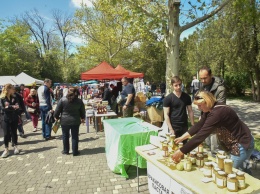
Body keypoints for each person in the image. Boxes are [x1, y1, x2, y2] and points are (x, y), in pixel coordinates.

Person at [171, 91, 254, 173]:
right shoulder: (210, 109)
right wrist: (182, 137)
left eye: (200, 105)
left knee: (230, 172)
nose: (199, 108)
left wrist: (181, 151)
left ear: (207, 102)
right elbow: (198, 125)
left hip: (241, 145)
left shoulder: (217, 113)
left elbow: (200, 136)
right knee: (242, 170)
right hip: (238, 143)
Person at [199, 66, 226, 154]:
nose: (203, 81)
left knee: (216, 150)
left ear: (211, 75)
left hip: (216, 123)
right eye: (201, 79)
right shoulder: (203, 87)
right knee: (207, 145)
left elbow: (220, 108)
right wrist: (201, 115)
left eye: (205, 78)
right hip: (206, 121)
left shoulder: (220, 89)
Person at [54, 87, 85, 156]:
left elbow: (57, 110)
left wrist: (56, 117)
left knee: (65, 136)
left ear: (68, 91)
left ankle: (66, 151)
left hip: (64, 121)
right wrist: (83, 118)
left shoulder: (62, 100)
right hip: (75, 121)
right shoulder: (79, 101)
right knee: (75, 136)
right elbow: (82, 111)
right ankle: (75, 151)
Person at [163, 76, 194, 144]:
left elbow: (190, 111)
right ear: (172, 86)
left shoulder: (187, 97)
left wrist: (192, 124)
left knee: (184, 147)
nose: (178, 87)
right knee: (173, 147)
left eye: (180, 84)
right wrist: (171, 129)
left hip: (184, 125)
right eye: (176, 85)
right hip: (174, 126)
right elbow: (166, 114)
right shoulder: (168, 98)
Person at [0, 84, 20, 158]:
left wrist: (10, 107)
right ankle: (6, 149)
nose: (14, 90)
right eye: (12, 88)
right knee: (6, 134)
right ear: (8, 89)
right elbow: (3, 108)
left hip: (14, 117)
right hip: (5, 118)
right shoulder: (2, 98)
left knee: (14, 132)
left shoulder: (14, 97)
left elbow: (17, 106)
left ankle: (15, 146)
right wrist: (12, 106)